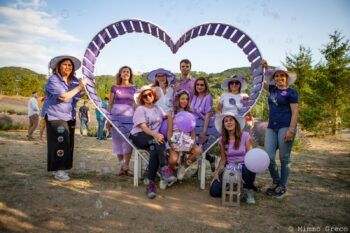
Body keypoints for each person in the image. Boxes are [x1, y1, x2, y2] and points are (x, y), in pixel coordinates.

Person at [43, 55, 87, 181]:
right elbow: (63, 97)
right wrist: (80, 86)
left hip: (69, 116)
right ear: (58, 67)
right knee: (60, 143)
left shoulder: (73, 81)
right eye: (65, 64)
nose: (67, 67)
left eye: (70, 65)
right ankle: (59, 171)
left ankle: (59, 168)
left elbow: (76, 95)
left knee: (68, 143)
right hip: (55, 115)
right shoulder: (54, 80)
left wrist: (85, 88)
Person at [129, 86, 176, 199]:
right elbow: (143, 128)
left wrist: (169, 133)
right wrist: (156, 135)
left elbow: (169, 116)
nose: (148, 97)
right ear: (142, 98)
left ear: (153, 96)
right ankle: (165, 169)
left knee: (154, 150)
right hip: (139, 136)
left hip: (153, 140)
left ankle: (150, 184)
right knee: (158, 140)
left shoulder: (158, 109)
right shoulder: (140, 109)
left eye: (150, 94)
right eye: (145, 96)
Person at [261, 60, 298, 198]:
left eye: (282, 75)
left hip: (286, 126)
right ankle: (276, 181)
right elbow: (261, 82)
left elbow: (295, 112)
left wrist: (291, 130)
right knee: (268, 157)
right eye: (276, 76)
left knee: (284, 158)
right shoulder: (272, 89)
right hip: (271, 127)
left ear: (286, 77)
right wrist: (265, 68)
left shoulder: (291, 92)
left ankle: (283, 186)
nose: (279, 78)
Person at [209, 111, 256, 204]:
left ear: (235, 122)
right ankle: (232, 185)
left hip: (245, 166)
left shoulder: (245, 136)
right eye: (226, 121)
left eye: (231, 120)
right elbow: (223, 160)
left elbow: (251, 156)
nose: (229, 122)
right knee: (214, 192)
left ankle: (248, 191)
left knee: (246, 168)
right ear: (224, 125)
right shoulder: (222, 140)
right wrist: (217, 173)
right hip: (230, 168)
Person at [167, 90, 202, 180]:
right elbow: (169, 132)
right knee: (173, 160)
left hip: (186, 140)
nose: (184, 101)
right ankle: (169, 172)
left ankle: (183, 166)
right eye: (182, 98)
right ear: (178, 100)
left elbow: (193, 133)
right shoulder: (172, 113)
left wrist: (192, 142)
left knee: (198, 151)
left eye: (186, 99)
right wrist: (171, 143)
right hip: (175, 139)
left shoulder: (190, 114)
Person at [109, 66, 137, 176]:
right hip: (115, 118)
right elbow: (110, 103)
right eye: (124, 72)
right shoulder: (114, 87)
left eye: (128, 72)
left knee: (128, 142)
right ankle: (122, 167)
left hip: (130, 118)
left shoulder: (134, 88)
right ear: (120, 74)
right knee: (117, 143)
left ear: (130, 75)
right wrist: (108, 119)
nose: (126, 73)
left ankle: (127, 166)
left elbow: (135, 104)